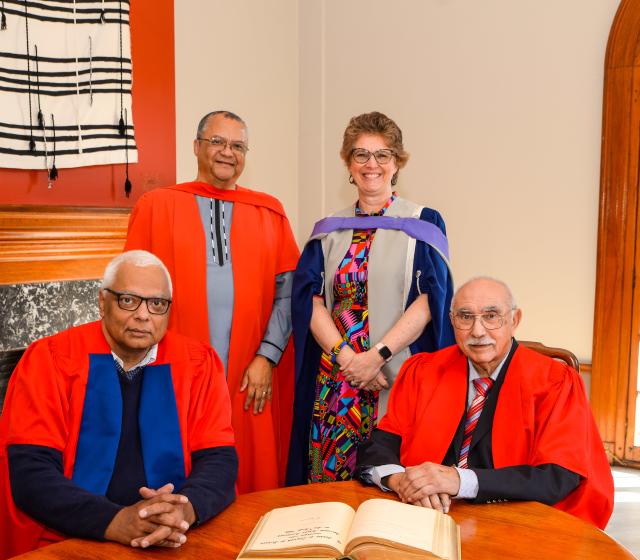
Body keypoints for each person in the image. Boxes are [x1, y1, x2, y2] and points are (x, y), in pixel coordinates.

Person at [0, 251, 238, 560]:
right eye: (128, 300)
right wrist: (115, 522)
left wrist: (183, 510)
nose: (143, 315)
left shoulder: (197, 363)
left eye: (157, 304)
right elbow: (31, 473)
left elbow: (219, 460)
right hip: (67, 541)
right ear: (102, 302)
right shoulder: (51, 360)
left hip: (174, 539)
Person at [124, 111, 300, 493]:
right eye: (217, 142)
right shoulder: (157, 206)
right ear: (196, 147)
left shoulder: (269, 212)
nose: (227, 152)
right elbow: (132, 294)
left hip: (249, 369)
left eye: (238, 146)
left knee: (251, 471)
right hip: (176, 367)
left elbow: (290, 294)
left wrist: (267, 357)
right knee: (179, 468)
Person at [356, 276, 614, 529]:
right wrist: (400, 480)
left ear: (514, 320)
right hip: (427, 518)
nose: (477, 331)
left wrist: (460, 481)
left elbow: (558, 476)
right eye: (465, 317)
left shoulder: (555, 381)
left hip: (519, 524)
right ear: (452, 321)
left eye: (491, 316)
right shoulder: (423, 371)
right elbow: (382, 443)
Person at [286, 111, 455, 485]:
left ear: (397, 162)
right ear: (348, 163)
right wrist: (349, 361)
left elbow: (431, 298)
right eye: (360, 154)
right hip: (339, 377)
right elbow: (310, 300)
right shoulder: (329, 230)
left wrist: (376, 357)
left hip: (396, 374)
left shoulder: (423, 223)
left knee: (394, 482)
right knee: (331, 486)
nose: (371, 164)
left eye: (382, 154)